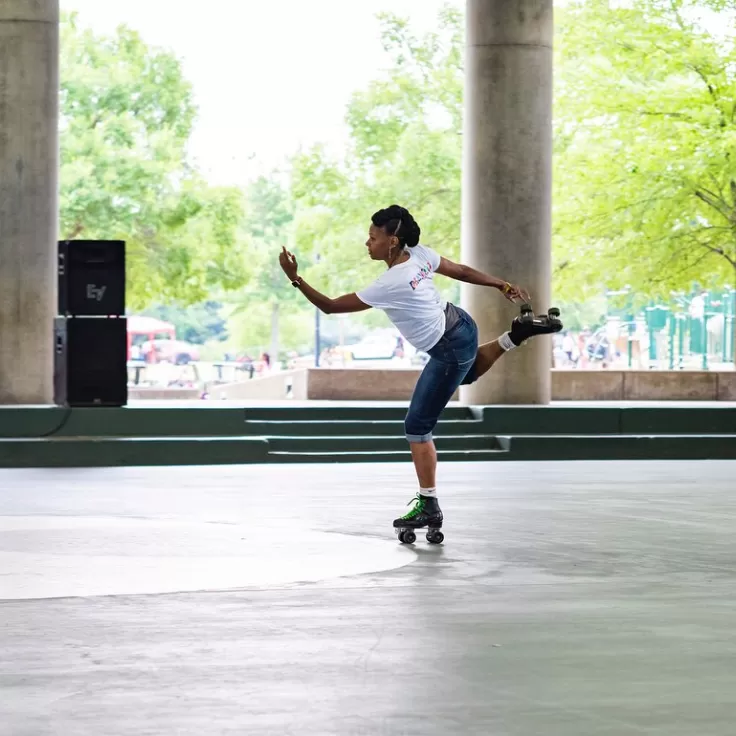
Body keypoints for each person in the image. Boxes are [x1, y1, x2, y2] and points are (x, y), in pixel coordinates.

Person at [278, 204, 562, 537]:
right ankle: (516, 334)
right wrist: (501, 284)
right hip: (463, 324)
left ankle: (428, 504)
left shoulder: (389, 283)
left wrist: (295, 278)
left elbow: (329, 306)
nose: (367, 243)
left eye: (372, 238)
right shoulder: (419, 255)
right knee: (464, 374)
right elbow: (459, 270)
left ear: (393, 241)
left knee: (417, 424)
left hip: (449, 346)